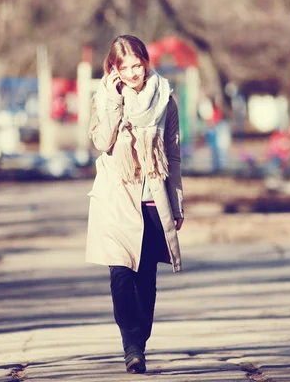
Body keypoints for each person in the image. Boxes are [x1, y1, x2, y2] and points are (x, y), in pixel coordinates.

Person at [86, 35, 184, 374]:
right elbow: (102, 141)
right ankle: (131, 343)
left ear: (145, 61)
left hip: (151, 198)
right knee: (119, 275)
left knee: (146, 278)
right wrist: (113, 101)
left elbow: (173, 154)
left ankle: (138, 343)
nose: (131, 73)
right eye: (123, 67)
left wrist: (177, 203)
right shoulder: (103, 98)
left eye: (136, 65)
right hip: (116, 198)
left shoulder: (166, 100)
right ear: (113, 69)